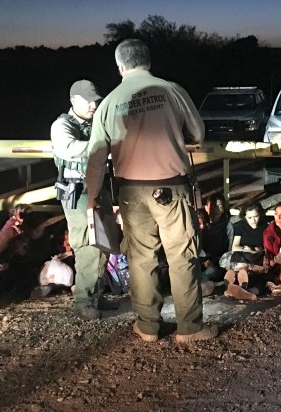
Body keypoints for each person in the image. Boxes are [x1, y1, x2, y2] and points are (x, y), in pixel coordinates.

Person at [85, 38, 215, 343]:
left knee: (142, 259)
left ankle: (148, 326)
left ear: (119, 66)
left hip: (130, 191)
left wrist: (92, 197)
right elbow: (197, 132)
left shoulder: (107, 104)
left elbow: (95, 158)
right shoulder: (172, 90)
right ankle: (189, 327)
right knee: (182, 256)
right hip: (172, 187)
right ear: (148, 61)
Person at [51, 79, 117, 320]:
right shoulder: (62, 125)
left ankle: (95, 297)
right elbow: (68, 148)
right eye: (87, 101)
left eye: (95, 101)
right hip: (77, 191)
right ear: (73, 101)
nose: (93, 106)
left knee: (105, 243)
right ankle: (83, 300)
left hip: (99, 188)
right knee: (88, 245)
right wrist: (102, 145)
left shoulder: (99, 122)